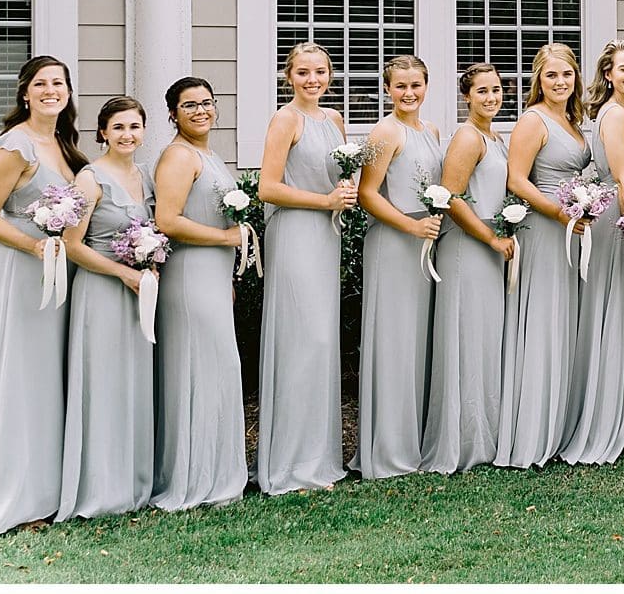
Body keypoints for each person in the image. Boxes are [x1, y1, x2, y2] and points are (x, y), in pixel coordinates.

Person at [0, 56, 85, 534]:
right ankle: (20, 498)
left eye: (59, 83)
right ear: (25, 93)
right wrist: (35, 246)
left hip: (60, 273)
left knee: (53, 376)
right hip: (23, 271)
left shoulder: (65, 145)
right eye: (41, 84)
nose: (51, 90)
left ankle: (55, 488)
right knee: (24, 378)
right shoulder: (15, 146)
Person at [255, 42, 358, 494]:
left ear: (330, 75)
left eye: (320, 71)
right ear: (288, 75)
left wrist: (345, 190)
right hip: (296, 234)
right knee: (302, 338)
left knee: (322, 341)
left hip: (326, 236)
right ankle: (291, 465)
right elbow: (267, 187)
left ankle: (320, 459)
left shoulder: (333, 120)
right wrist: (325, 201)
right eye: (303, 72)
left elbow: (334, 175)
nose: (312, 79)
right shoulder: (285, 119)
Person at [56, 96, 157, 521]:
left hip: (138, 294)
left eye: (134, 127)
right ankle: (101, 488)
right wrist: (123, 274)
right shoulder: (90, 179)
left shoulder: (145, 176)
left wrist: (148, 265)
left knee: (133, 384)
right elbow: (72, 245)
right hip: (100, 293)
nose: (127, 135)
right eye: (118, 128)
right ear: (102, 133)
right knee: (103, 385)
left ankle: (134, 483)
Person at [151, 76, 249, 510]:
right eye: (189, 105)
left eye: (207, 103)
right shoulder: (177, 156)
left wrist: (227, 274)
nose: (200, 111)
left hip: (212, 275)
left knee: (217, 370)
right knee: (199, 370)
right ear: (173, 113)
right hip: (189, 276)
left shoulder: (209, 154)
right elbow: (168, 221)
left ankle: (216, 472)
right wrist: (228, 239)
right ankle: (194, 478)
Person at [499, 42, 593, 468]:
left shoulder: (572, 120)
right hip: (545, 230)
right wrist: (561, 213)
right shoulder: (532, 120)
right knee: (543, 323)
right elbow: (517, 180)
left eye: (567, 75)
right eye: (551, 75)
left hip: (570, 229)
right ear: (539, 79)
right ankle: (533, 434)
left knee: (564, 324)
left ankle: (559, 425)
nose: (560, 82)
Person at [352, 54, 446, 479]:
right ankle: (389, 448)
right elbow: (367, 194)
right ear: (387, 89)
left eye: (416, 85)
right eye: (400, 86)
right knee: (394, 341)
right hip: (394, 243)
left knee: (418, 339)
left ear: (427, 86)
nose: (409, 93)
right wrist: (411, 226)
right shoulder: (383, 132)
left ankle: (416, 438)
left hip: (423, 243)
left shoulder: (432, 130)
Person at [562, 41, 624, 465]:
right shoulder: (615, 115)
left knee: (622, 316)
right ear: (609, 74)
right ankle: (604, 423)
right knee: (612, 316)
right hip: (618, 222)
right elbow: (622, 181)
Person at [422, 63, 516, 473]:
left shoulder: (495, 137)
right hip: (467, 248)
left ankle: (487, 433)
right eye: (482, 92)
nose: (491, 98)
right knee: (467, 338)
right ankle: (462, 441)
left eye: (496, 90)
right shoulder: (466, 137)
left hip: (489, 248)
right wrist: (491, 238)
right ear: (467, 96)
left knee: (484, 339)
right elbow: (453, 198)